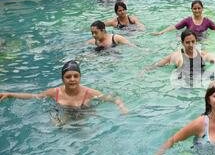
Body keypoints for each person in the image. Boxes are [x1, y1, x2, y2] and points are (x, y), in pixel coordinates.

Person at [0, 60, 128, 114]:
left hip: (84, 114)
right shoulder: (54, 92)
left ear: (80, 77)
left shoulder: (89, 93)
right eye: (68, 77)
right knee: (59, 126)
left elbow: (114, 99)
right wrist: (11, 94)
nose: (72, 79)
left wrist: (122, 107)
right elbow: (35, 96)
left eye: (75, 76)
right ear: (62, 79)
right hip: (63, 112)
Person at [142, 29, 215, 80]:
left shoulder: (202, 54)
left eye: (193, 41)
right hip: (184, 80)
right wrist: (144, 71)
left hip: (202, 76)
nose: (191, 45)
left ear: (196, 41)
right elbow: (157, 65)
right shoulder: (175, 56)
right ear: (182, 43)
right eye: (187, 42)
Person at [151, 0, 215, 41]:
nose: (197, 10)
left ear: (202, 9)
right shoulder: (188, 20)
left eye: (199, 8)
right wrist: (161, 32)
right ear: (192, 9)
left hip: (201, 40)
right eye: (194, 8)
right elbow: (174, 27)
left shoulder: (207, 21)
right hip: (189, 41)